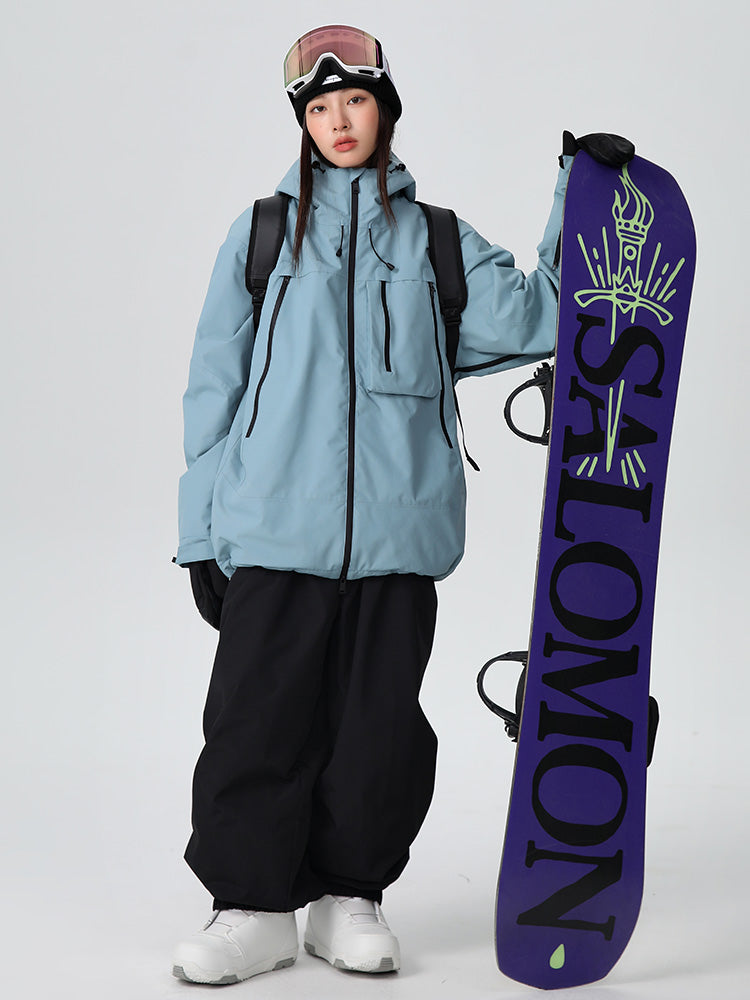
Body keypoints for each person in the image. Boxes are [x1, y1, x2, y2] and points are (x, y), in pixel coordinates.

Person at [170, 23, 632, 987]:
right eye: (320, 107)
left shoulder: (437, 242)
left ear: (384, 110)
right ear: (303, 122)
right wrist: (200, 533)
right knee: (255, 725)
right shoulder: (262, 236)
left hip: (399, 534)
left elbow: (546, 311)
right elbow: (214, 388)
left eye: (356, 101)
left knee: (378, 732)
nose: (340, 120)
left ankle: (350, 899)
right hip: (272, 531)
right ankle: (251, 908)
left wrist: (579, 196)